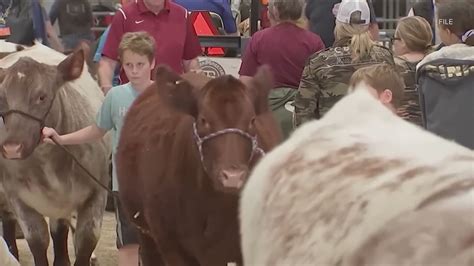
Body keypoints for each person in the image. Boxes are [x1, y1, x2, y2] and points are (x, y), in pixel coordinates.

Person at [42, 31, 156, 266]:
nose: (134, 70)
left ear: (152, 63)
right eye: (128, 65)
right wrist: (61, 138)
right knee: (128, 242)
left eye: (140, 65)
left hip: (160, 185)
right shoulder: (115, 96)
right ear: (122, 65)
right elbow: (97, 130)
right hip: (126, 185)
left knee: (159, 243)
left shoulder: (165, 94)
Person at [293, 0, 394, 127]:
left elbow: (303, 116)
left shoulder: (318, 62)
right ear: (368, 25)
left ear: (338, 24)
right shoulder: (385, 58)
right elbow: (395, 105)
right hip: (375, 142)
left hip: (333, 142)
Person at [239, 0, 325, 138]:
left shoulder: (258, 39)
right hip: (301, 122)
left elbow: (245, 83)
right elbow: (321, 84)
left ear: (274, 12)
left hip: (267, 119)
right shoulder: (314, 41)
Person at [98, 0, 202, 94]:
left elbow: (190, 61)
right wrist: (106, 90)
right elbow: (108, 62)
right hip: (133, 98)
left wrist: (197, 85)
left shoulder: (182, 15)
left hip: (173, 97)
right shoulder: (124, 16)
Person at [391, 16, 433, 126]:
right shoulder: (437, 62)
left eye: (394, 39)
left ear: (403, 42)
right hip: (433, 129)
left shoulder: (391, 67)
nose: (393, 43)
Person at [305, 0, 379, 47]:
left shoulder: (358, 3)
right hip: (321, 56)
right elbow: (306, 24)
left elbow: (372, 27)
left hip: (357, 53)